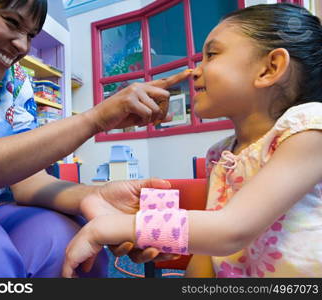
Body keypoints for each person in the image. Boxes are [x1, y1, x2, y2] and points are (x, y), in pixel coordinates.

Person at [0, 0, 191, 277]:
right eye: (12, 22)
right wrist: (96, 119)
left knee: (65, 239)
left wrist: (91, 196)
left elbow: (27, 179)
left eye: (30, 35)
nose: (22, 46)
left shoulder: (14, 79)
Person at [62, 3, 322, 278]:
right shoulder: (220, 155)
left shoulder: (308, 130)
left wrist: (107, 227)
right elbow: (208, 251)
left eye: (212, 54)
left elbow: (231, 229)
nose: (194, 71)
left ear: (270, 68)